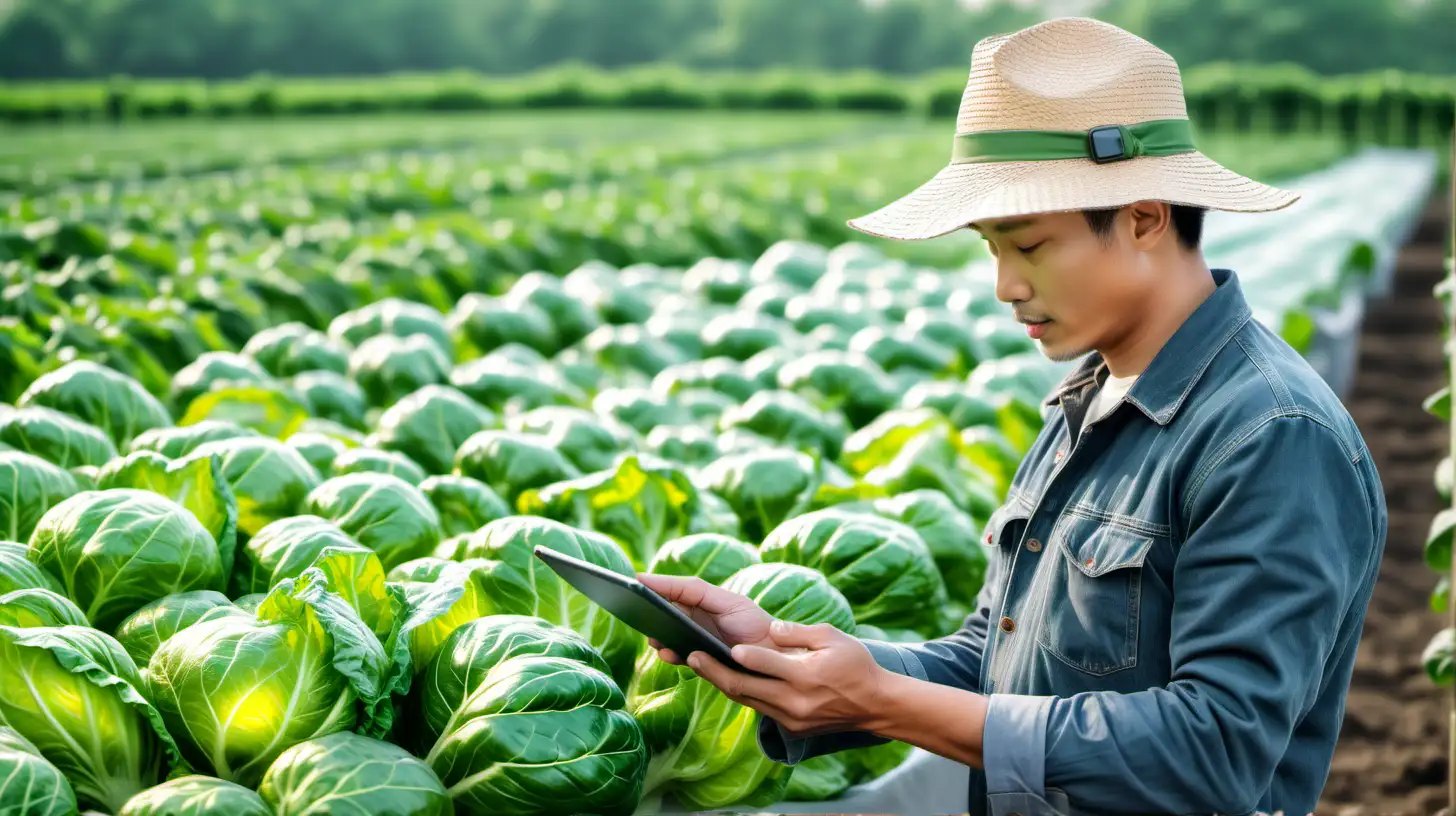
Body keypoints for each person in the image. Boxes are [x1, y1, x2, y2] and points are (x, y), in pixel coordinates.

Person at [637, 15, 1388, 816]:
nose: (1005, 285)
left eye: (1028, 245)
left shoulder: (1270, 438)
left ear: (1143, 216)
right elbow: (992, 660)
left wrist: (884, 703)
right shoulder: (1090, 397)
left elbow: (1213, 749)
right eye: (991, 248)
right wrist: (793, 658)